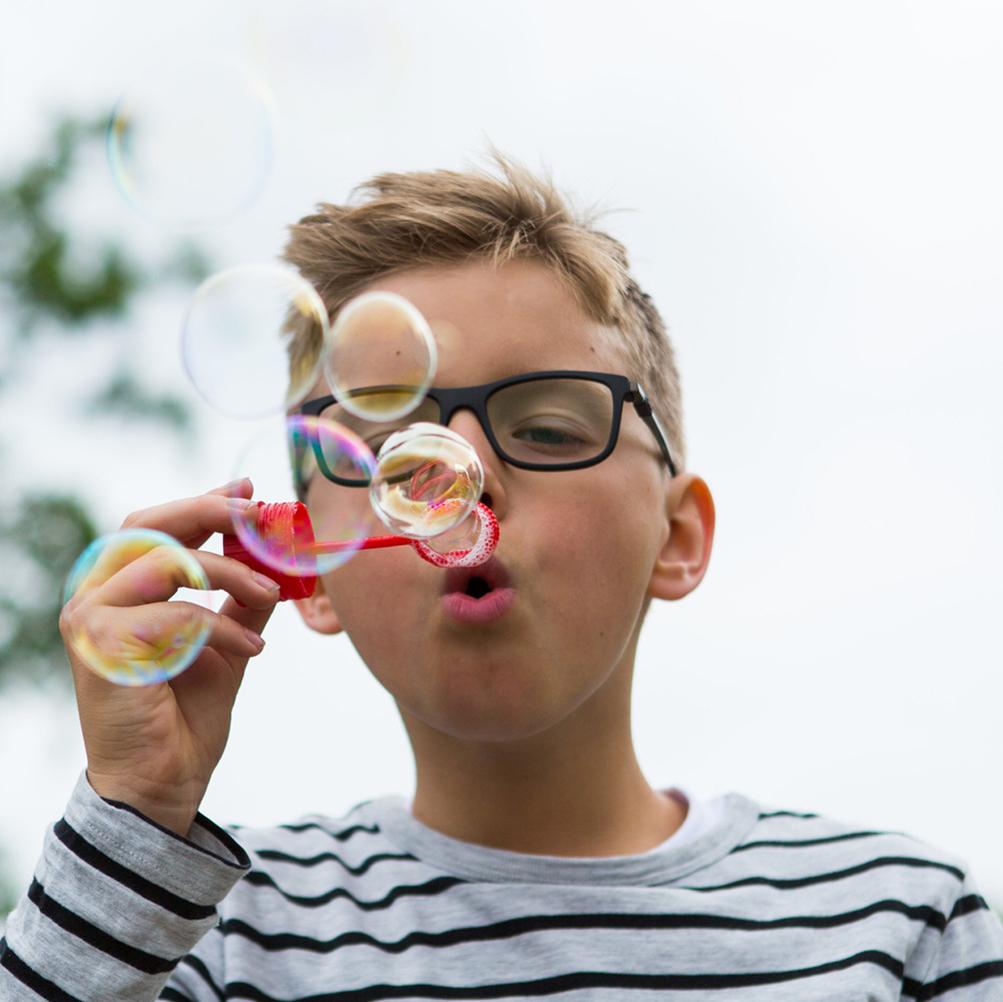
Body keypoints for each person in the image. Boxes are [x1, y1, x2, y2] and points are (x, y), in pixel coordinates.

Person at [2, 156, 1001, 1002]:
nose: (457, 476)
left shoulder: (898, 922)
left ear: (676, 535)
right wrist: (131, 813)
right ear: (305, 570)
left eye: (548, 429)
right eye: (391, 452)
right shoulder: (206, 940)